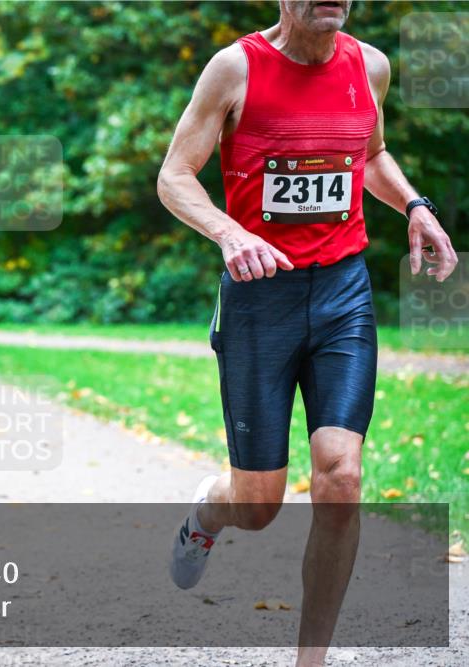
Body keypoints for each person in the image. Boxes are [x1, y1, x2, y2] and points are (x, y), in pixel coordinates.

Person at [156, 2, 458, 664]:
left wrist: (414, 204)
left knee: (341, 475)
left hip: (342, 292)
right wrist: (229, 231)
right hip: (260, 301)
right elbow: (175, 175)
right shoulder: (234, 69)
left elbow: (369, 155)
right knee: (258, 504)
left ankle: (309, 659)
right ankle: (210, 511)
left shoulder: (370, 66)